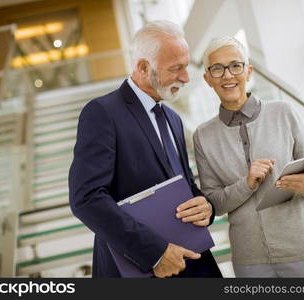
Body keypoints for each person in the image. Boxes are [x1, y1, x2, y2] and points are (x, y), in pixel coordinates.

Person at [68, 20, 222, 278]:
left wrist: (206, 206)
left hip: (192, 263)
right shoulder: (103, 113)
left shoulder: (173, 118)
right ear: (143, 67)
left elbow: (184, 186)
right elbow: (86, 198)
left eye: (186, 67)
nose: (185, 78)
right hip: (139, 267)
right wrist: (156, 253)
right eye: (176, 69)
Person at [193, 36, 304, 277]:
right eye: (217, 69)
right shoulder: (203, 136)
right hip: (251, 263)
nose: (227, 75)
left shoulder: (284, 112)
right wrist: (247, 184)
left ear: (248, 71)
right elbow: (214, 204)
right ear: (207, 79)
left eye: (235, 65)